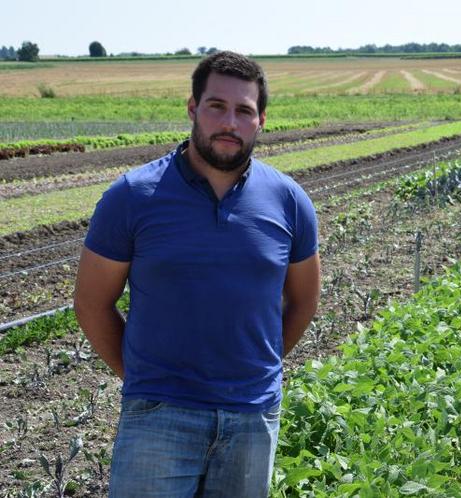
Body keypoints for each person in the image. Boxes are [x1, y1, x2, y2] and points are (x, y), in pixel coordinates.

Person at [73, 51, 321, 497]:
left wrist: (257, 368)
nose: (230, 122)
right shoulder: (133, 196)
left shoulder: (289, 201)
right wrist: (141, 377)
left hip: (251, 416)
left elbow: (304, 300)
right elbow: (92, 302)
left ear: (261, 119)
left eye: (244, 110)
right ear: (192, 108)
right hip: (160, 415)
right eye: (216, 106)